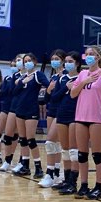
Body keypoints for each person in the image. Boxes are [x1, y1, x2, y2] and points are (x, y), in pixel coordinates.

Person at [70, 46, 101, 199]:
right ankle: (83, 185)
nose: (88, 57)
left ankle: (99, 187)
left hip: (97, 119)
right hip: (80, 117)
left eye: (91, 54)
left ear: (98, 57)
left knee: (97, 154)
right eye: (86, 54)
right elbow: (73, 94)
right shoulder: (82, 74)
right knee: (82, 154)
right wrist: (84, 82)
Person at [47, 51, 81, 193]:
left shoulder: (81, 77)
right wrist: (65, 88)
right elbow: (54, 98)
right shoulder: (62, 79)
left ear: (77, 63)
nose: (67, 64)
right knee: (65, 150)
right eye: (66, 61)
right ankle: (66, 180)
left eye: (70, 61)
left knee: (74, 151)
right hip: (61, 115)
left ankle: (73, 183)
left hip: (74, 115)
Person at [14, 53, 50, 178]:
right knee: (22, 139)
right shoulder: (24, 76)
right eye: (25, 61)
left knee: (30, 139)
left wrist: (42, 93)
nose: (27, 63)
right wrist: (21, 82)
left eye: (29, 60)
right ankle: (25, 165)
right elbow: (15, 92)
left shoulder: (38, 74)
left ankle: (38, 167)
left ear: (34, 62)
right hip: (20, 109)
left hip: (31, 110)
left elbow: (47, 84)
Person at [38, 49, 66, 188]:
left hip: (62, 111)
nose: (54, 61)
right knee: (54, 143)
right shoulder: (54, 77)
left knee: (50, 142)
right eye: (52, 58)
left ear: (63, 60)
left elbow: (61, 95)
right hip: (52, 110)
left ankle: (49, 173)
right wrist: (49, 89)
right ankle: (55, 172)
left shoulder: (67, 75)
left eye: (57, 58)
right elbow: (47, 98)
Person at [0, 54, 28, 172]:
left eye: (21, 60)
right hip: (13, 106)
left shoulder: (32, 75)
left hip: (25, 107)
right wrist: (20, 83)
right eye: (17, 60)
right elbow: (11, 91)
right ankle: (7, 161)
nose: (19, 62)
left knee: (23, 137)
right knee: (8, 135)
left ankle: (22, 161)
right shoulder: (14, 76)